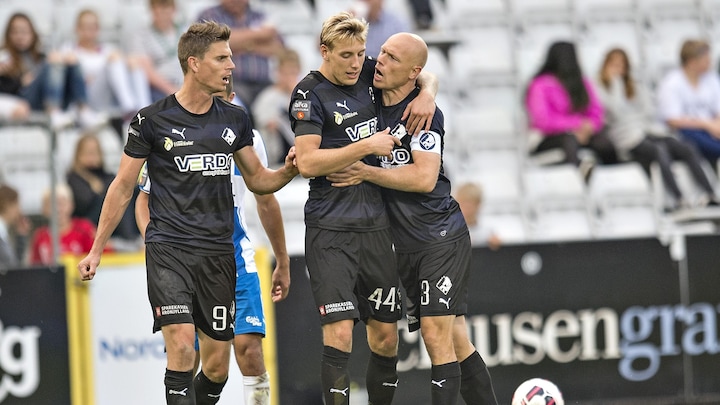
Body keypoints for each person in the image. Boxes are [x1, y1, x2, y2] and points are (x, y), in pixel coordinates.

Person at [76, 20, 298, 405]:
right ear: (194, 63)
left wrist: (290, 171)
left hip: (219, 255)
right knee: (181, 346)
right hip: (170, 251)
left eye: (231, 58)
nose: (231, 66)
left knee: (217, 368)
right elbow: (124, 187)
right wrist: (96, 249)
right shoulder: (150, 120)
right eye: (222, 58)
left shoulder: (235, 120)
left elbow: (259, 182)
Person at [326, 32, 498, 405]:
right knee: (457, 339)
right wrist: (429, 88)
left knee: (435, 335)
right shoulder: (372, 87)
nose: (380, 61)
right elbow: (340, 65)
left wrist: (365, 171)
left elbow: (424, 178)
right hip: (400, 244)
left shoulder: (424, 114)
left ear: (412, 72)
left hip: (438, 236)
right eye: (382, 53)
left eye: (391, 58)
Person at [289, 12, 437, 405]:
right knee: (339, 333)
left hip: (375, 228)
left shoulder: (368, 72)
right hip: (330, 229)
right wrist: (367, 146)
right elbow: (308, 162)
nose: (357, 63)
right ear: (325, 51)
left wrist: (427, 93)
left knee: (386, 337)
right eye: (346, 55)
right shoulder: (309, 94)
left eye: (361, 53)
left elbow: (420, 72)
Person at [134, 79, 291, 405]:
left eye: (218, 99)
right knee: (191, 357)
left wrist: (283, 259)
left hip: (235, 257)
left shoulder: (249, 140)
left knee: (246, 351)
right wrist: (158, 246)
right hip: (183, 258)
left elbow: (266, 200)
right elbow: (143, 199)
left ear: (231, 99)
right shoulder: (171, 133)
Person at [597, 47, 718, 209]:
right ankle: (679, 199)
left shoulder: (633, 86)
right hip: (627, 138)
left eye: (622, 65)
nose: (619, 70)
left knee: (686, 148)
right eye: (614, 65)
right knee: (660, 150)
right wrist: (616, 84)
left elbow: (649, 112)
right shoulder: (600, 89)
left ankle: (710, 194)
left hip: (648, 131)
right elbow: (615, 112)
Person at [0, 12, 106, 130]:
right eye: (15, 32)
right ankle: (54, 111)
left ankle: (83, 109)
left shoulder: (40, 56)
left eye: (24, 32)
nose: (20, 37)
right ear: (8, 35)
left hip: (47, 97)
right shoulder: (4, 58)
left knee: (71, 60)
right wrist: (20, 81)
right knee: (54, 60)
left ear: (33, 34)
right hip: (24, 100)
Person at [525, 41, 617, 168]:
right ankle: (577, 175)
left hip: (583, 133)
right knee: (570, 141)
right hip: (550, 138)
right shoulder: (539, 85)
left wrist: (590, 126)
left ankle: (612, 175)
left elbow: (596, 110)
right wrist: (576, 124)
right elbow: (542, 120)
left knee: (604, 144)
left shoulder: (582, 82)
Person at [62, 8, 151, 133]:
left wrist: (129, 61)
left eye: (93, 26)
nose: (90, 30)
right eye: (86, 26)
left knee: (134, 62)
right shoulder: (69, 49)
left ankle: (144, 110)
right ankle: (129, 107)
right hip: (84, 97)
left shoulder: (108, 49)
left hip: (107, 96)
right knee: (114, 61)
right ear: (77, 28)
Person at [196, 0, 284, 109]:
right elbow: (214, 44)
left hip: (264, 83)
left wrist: (243, 45)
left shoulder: (260, 16)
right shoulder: (209, 15)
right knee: (233, 106)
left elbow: (278, 48)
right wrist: (260, 35)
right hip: (229, 83)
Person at [66, 133, 140, 244]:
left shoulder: (107, 176)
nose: (93, 156)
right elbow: (85, 201)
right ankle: (128, 239)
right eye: (88, 152)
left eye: (95, 151)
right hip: (88, 223)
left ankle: (133, 237)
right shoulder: (74, 178)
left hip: (111, 221)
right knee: (113, 198)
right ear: (79, 155)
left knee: (132, 192)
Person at [657, 39, 720, 165]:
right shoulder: (672, 83)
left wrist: (716, 125)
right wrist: (707, 125)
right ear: (692, 62)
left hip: (711, 127)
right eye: (705, 59)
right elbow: (672, 120)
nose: (709, 62)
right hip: (686, 131)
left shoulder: (711, 78)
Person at [29, 184, 107, 266]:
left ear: (71, 205)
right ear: (44, 208)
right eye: (52, 204)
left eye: (62, 204)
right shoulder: (40, 236)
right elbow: (36, 266)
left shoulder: (84, 229)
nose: (58, 209)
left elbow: (104, 256)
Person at [127, 0, 186, 102]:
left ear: (173, 9)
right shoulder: (142, 35)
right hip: (161, 88)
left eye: (165, 9)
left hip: (187, 84)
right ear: (151, 11)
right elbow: (147, 71)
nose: (162, 14)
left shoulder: (187, 31)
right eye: (157, 10)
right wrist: (173, 91)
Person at [251, 47, 301, 166]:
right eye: (286, 73)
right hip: (277, 156)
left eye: (293, 73)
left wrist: (295, 95)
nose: (289, 78)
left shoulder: (303, 96)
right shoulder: (267, 97)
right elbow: (269, 125)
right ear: (277, 72)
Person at [453, 182, 502, 249]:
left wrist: (495, 243)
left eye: (470, 206)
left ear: (478, 205)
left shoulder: (487, 230)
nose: (466, 210)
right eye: (463, 204)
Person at [0, 184, 29, 269]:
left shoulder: (4, 233)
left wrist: (21, 235)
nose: (19, 210)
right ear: (7, 204)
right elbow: (12, 266)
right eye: (16, 204)